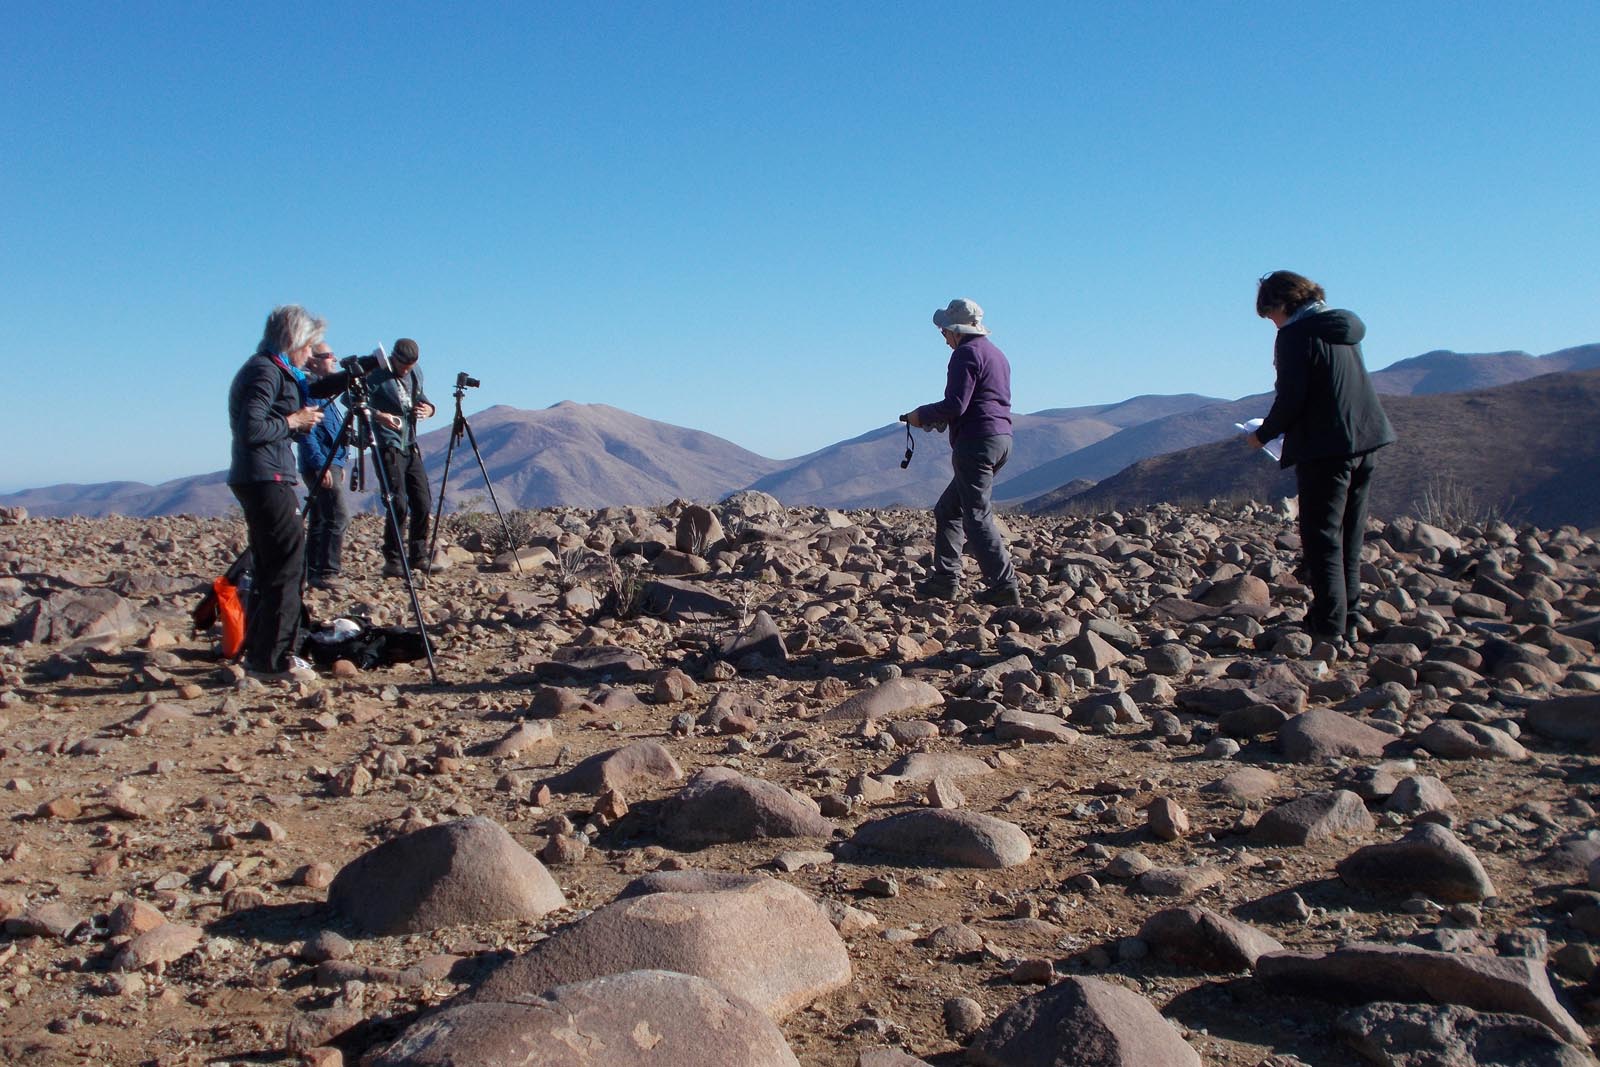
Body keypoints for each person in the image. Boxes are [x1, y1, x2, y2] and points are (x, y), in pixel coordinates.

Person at [1246, 270, 1396, 654]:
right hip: (1366, 440)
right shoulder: (1342, 329)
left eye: (1270, 315)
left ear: (1282, 304)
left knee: (1322, 537)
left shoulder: (1296, 335)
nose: (1271, 323)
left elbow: (1292, 395)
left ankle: (1328, 627)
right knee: (1350, 534)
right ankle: (1350, 615)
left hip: (1326, 447)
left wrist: (1264, 433)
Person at [227, 305, 340, 677]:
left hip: (262, 477)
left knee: (271, 566)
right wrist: (294, 421)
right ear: (292, 341)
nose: (310, 355)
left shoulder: (274, 370)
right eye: (308, 346)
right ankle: (276, 660)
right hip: (266, 478)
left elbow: (309, 391)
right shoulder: (264, 372)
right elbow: (251, 429)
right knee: (287, 566)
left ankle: (261, 653)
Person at [902, 298, 1021, 607]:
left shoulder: (965, 354)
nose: (943, 336)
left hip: (976, 442)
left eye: (944, 330)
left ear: (957, 330)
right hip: (1001, 439)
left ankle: (1004, 584)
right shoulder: (997, 355)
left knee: (976, 516)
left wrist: (922, 415)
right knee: (948, 509)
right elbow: (979, 401)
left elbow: (957, 404)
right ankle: (944, 580)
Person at [368, 337, 435, 577]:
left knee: (422, 500)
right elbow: (353, 401)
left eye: (410, 366)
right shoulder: (376, 375)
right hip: (388, 444)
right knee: (398, 502)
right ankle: (393, 559)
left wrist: (429, 408)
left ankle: (419, 554)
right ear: (394, 358)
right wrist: (379, 415)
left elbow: (419, 397)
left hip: (410, 442)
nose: (406, 370)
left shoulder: (415, 373)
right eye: (403, 365)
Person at [297, 344, 350, 591]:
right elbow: (306, 433)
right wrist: (322, 465)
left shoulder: (327, 392)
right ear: (314, 361)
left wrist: (340, 462)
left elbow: (335, 428)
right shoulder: (310, 390)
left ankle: (311, 571)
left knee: (321, 517)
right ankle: (327, 572)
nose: (334, 361)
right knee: (336, 515)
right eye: (330, 357)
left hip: (331, 462)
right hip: (320, 463)